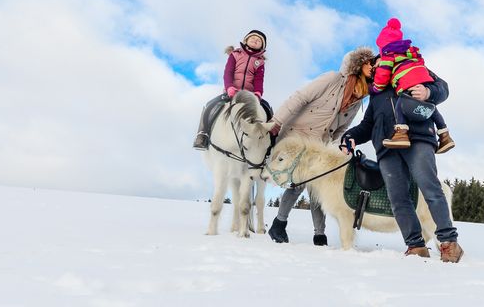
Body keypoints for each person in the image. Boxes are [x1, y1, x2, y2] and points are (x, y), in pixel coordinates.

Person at [340, 60, 464, 262]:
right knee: (398, 198)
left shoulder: (411, 69)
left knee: (429, 187)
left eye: (381, 61)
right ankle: (415, 245)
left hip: (419, 139)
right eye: (375, 65)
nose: (378, 66)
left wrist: (428, 92)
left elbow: (443, 88)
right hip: (387, 149)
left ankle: (449, 242)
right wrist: (350, 137)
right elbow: (367, 125)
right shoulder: (376, 94)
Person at [267, 46, 376, 246]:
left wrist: (337, 149)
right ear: (359, 66)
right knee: (299, 183)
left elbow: (341, 129)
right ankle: (279, 224)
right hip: (296, 138)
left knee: (319, 184)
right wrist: (276, 122)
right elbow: (300, 97)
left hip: (319, 145)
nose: (373, 67)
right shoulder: (332, 79)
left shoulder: (358, 100)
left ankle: (319, 234)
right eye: (370, 63)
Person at [371, 18, 454, 153]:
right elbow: (420, 62)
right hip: (423, 78)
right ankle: (445, 136)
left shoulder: (388, 56)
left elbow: (382, 77)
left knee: (400, 105)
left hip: (409, 86)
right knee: (431, 108)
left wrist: (375, 88)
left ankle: (401, 133)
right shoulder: (410, 53)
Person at [193, 30, 270, 150]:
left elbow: (259, 79)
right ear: (246, 41)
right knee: (210, 105)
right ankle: (203, 135)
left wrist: (258, 94)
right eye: (253, 38)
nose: (255, 40)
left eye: (259, 40)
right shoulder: (235, 54)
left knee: (268, 109)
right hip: (232, 92)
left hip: (249, 96)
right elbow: (228, 73)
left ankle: (271, 141)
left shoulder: (259, 62)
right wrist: (229, 87)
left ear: (262, 46)